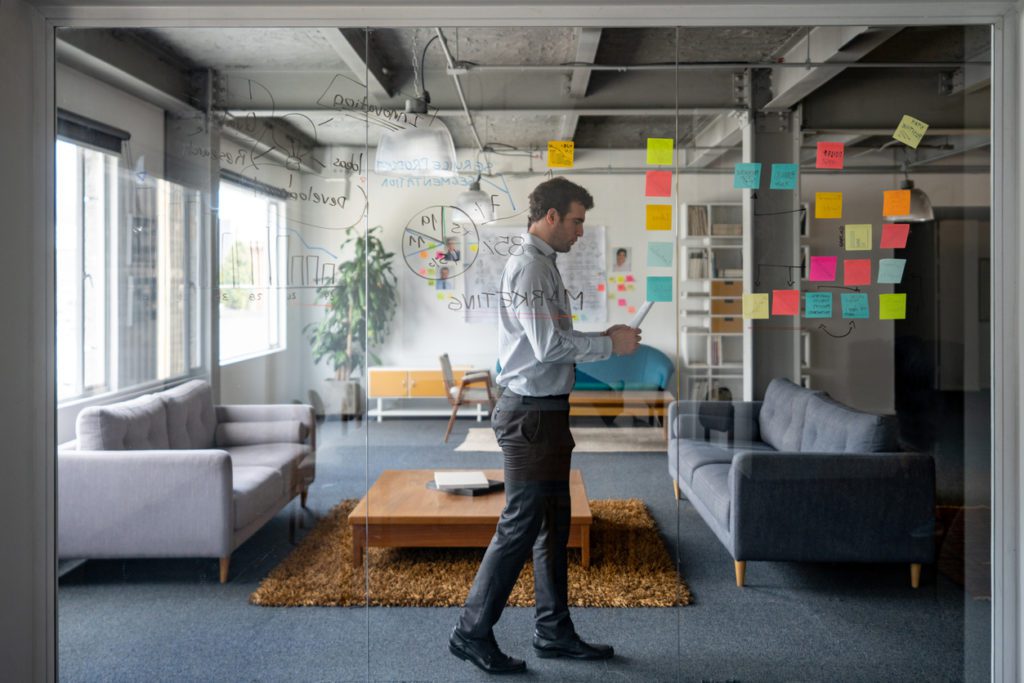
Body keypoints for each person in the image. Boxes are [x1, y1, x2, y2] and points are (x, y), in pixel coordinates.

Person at [449, 177, 641, 675]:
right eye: (576, 220)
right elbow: (547, 349)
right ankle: (471, 632)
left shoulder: (542, 266)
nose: (581, 231)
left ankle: (553, 632)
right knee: (520, 526)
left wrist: (603, 336)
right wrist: (609, 345)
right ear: (551, 217)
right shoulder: (532, 268)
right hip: (531, 415)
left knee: (553, 526)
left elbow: (553, 337)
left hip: (546, 412)